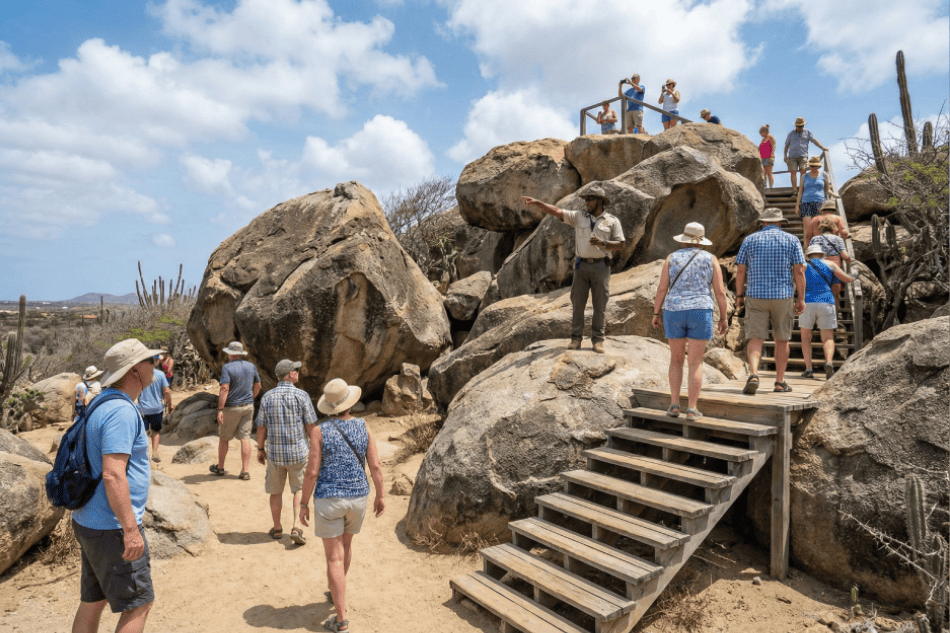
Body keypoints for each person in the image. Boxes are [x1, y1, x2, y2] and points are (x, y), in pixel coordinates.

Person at [71, 338, 164, 633]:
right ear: (135, 370)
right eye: (150, 361)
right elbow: (113, 474)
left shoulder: (101, 402)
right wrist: (130, 530)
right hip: (112, 527)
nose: (155, 364)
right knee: (139, 604)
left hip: (89, 518)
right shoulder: (121, 411)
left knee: (93, 600)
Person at [299, 379, 385, 633]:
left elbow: (312, 472)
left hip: (329, 499)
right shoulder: (363, 425)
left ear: (329, 406)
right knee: (346, 547)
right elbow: (376, 466)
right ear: (350, 403)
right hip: (358, 498)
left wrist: (303, 503)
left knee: (333, 558)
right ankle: (338, 590)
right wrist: (380, 496)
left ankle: (341, 620)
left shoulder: (319, 431)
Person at [522, 185, 625, 353]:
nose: (587, 202)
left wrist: (603, 243)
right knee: (578, 305)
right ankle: (576, 339)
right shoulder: (579, 216)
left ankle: (597, 341)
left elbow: (620, 244)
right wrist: (538, 203)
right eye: (586, 200)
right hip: (581, 266)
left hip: (601, 267)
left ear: (600, 201)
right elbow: (556, 211)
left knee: (600, 305)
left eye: (590, 199)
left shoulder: (612, 221)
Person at [651, 223, 729, 420]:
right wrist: (724, 317)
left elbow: (662, 288)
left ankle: (674, 405)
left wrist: (656, 313)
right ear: (701, 242)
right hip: (700, 311)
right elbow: (720, 292)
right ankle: (692, 408)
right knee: (695, 362)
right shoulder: (711, 259)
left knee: (676, 360)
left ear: (684, 241)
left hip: (674, 311)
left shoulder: (671, 258)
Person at [735, 207, 806, 394]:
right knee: (782, 340)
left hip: (755, 296)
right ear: (780, 222)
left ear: (763, 223)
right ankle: (779, 382)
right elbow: (799, 271)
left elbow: (740, 270)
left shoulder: (750, 240)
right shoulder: (792, 240)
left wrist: (739, 296)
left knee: (755, 338)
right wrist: (801, 298)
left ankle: (753, 374)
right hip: (783, 296)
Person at [256, 359, 317, 545]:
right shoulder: (302, 396)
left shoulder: (267, 397)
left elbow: (261, 426)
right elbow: (310, 426)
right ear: (289, 374)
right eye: (295, 370)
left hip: (275, 455)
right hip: (298, 454)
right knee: (298, 489)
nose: (298, 372)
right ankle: (296, 527)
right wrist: (316, 448)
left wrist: (260, 448)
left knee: (275, 492)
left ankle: (277, 529)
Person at [799, 244, 854, 380]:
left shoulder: (803, 266)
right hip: (827, 301)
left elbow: (797, 282)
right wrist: (855, 275)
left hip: (808, 302)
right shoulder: (830, 264)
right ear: (822, 254)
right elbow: (846, 280)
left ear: (808, 255)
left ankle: (809, 369)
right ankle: (829, 362)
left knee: (805, 337)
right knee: (828, 337)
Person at [210, 341, 261, 480]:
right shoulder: (251, 367)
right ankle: (245, 471)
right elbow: (258, 385)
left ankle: (220, 468)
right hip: (248, 407)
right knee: (245, 438)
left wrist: (220, 409)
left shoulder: (227, 368)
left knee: (224, 438)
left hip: (231, 407)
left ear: (231, 354)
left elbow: (224, 388)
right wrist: (251, 397)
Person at [807, 214, 853, 311]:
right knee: (835, 294)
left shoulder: (815, 239)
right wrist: (850, 260)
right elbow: (844, 256)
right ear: (833, 228)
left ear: (821, 228)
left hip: (820, 267)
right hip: (835, 268)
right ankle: (835, 314)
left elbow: (810, 255)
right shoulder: (838, 239)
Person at [136, 357, 173, 463]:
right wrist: (170, 405)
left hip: (142, 409)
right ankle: (155, 452)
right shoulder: (160, 374)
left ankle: (144, 453)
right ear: (155, 363)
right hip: (157, 408)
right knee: (156, 431)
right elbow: (167, 391)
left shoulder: (140, 374)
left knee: (144, 431)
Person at [784, 116, 827, 189]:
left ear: (803, 125)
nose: (799, 127)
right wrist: (785, 156)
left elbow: (814, 141)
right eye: (798, 126)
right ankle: (794, 190)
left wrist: (822, 147)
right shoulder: (791, 134)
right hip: (792, 157)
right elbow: (786, 146)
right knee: (793, 172)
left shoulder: (807, 132)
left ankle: (802, 188)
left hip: (803, 156)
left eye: (800, 126)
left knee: (803, 171)